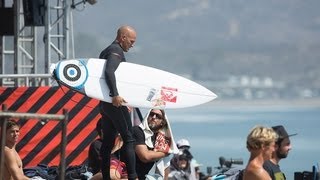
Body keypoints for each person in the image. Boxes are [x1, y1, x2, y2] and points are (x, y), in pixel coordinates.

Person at [98, 25, 137, 180]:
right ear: (123, 37)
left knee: (107, 142)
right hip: (114, 103)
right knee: (128, 138)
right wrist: (115, 95)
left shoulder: (106, 50)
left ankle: (106, 178)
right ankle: (133, 177)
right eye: (131, 41)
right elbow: (109, 71)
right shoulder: (116, 50)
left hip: (104, 104)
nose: (132, 44)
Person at [133, 109, 179, 179]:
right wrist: (166, 153)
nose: (154, 117)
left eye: (158, 116)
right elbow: (145, 157)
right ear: (147, 116)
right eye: (151, 114)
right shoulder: (137, 131)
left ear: (162, 122)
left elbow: (165, 165)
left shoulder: (160, 139)